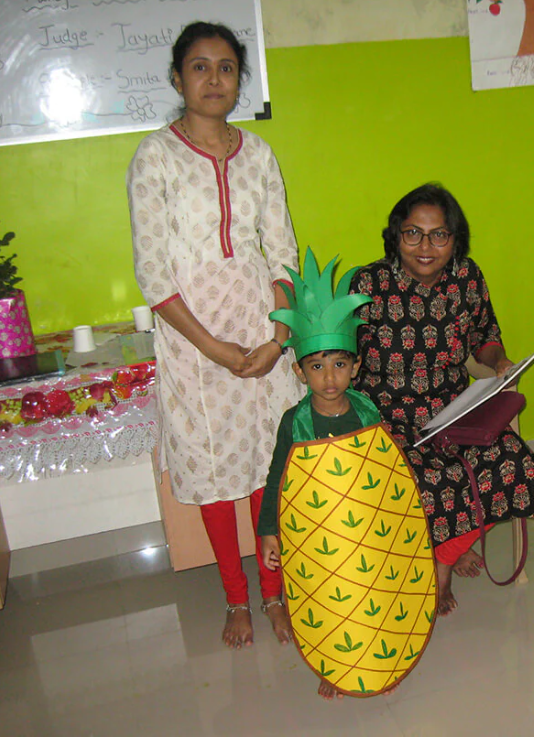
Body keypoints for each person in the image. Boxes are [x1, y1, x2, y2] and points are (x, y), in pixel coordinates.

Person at [127, 22, 303, 648]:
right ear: (178, 78)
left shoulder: (257, 154)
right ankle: (236, 598)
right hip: (193, 339)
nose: (213, 79)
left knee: (266, 465)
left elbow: (282, 253)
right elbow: (152, 271)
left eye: (226, 67)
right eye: (199, 67)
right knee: (212, 466)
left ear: (239, 82)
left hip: (259, 326)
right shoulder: (156, 157)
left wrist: (279, 339)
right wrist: (212, 348)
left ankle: (276, 591)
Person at [350, 183, 534, 616]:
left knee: (512, 464)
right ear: (396, 235)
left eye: (439, 235)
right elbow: (345, 359)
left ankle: (445, 553)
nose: (426, 246)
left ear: (454, 240)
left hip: (452, 408)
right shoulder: (367, 283)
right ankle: (443, 559)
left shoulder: (467, 277)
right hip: (386, 415)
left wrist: (499, 365)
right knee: (426, 483)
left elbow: (485, 339)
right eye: (413, 234)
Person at [257, 250, 380, 700]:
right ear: (299, 371)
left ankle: (380, 662)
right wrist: (269, 531)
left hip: (365, 527)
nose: (329, 377)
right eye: (316, 366)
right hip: (314, 533)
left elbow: (386, 472)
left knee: (369, 589)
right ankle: (333, 665)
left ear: (356, 366)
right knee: (325, 596)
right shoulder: (295, 422)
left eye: (340, 364)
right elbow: (276, 480)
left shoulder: (368, 412)